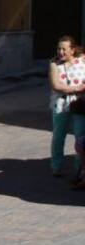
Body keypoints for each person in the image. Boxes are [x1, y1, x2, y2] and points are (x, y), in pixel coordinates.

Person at [49, 35, 85, 184]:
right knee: (58, 136)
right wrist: (77, 88)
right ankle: (56, 166)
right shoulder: (54, 63)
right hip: (61, 104)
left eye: (64, 49)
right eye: (59, 48)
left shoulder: (82, 60)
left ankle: (78, 170)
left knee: (80, 137)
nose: (61, 52)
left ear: (72, 49)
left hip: (80, 104)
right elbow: (56, 85)